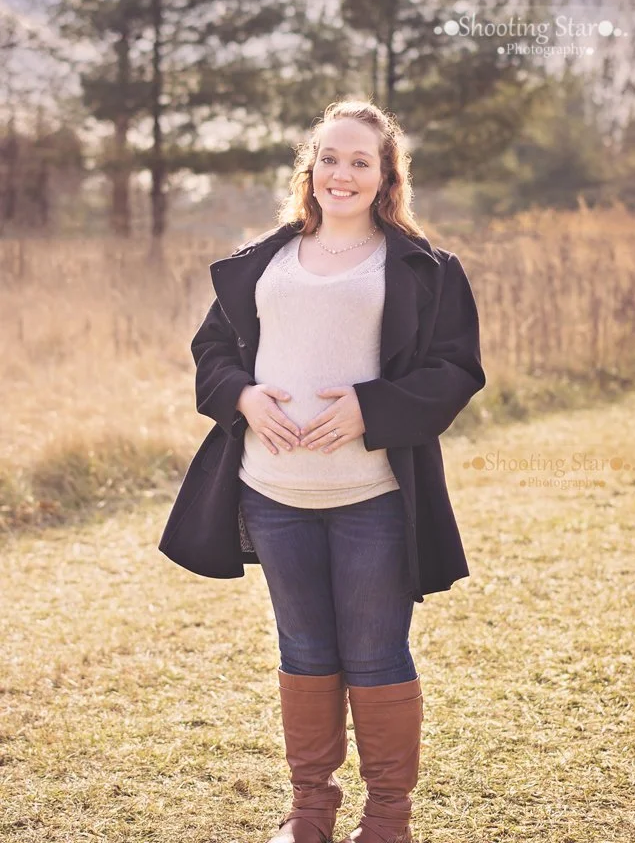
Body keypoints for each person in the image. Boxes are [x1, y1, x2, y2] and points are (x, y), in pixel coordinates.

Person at [158, 98, 486, 843]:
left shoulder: (422, 267)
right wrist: (241, 394)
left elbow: (456, 370)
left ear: (385, 176)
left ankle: (388, 819)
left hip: (371, 495)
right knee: (303, 651)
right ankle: (309, 812)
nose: (342, 173)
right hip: (271, 493)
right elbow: (212, 354)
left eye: (360, 162)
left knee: (374, 652)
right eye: (329, 158)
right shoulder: (263, 261)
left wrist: (371, 409)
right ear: (311, 169)